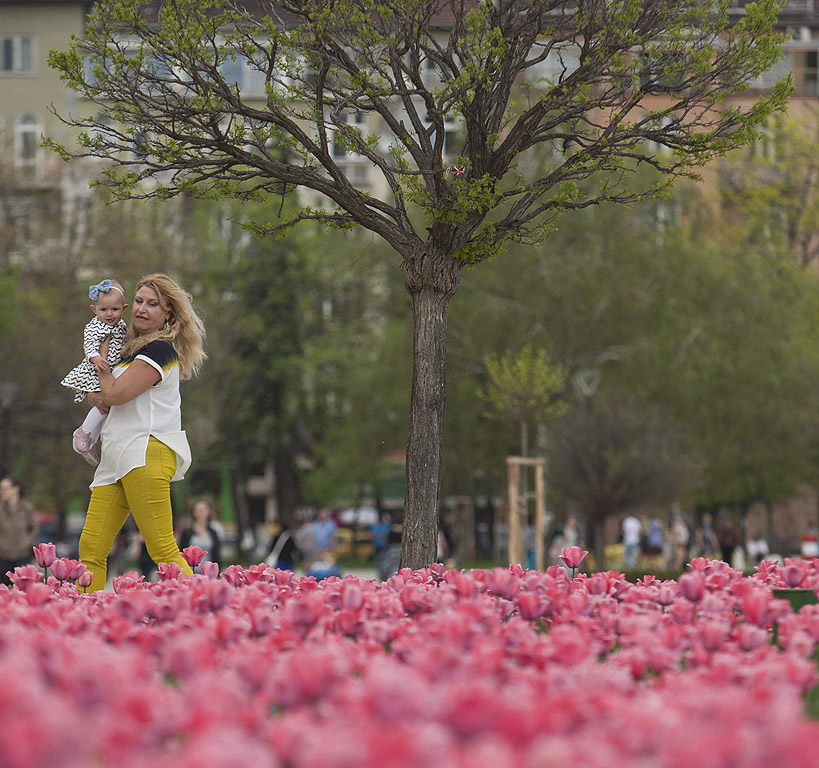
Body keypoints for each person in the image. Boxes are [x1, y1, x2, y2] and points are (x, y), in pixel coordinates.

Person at [78, 274, 206, 591]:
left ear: (168, 315)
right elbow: (104, 392)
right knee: (90, 551)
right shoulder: (128, 349)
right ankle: (78, 622)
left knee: (162, 550)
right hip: (116, 456)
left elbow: (116, 394)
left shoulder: (160, 350)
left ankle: (213, 609)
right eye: (138, 301)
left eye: (153, 304)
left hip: (146, 452)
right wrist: (95, 392)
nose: (142, 309)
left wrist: (99, 388)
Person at [61, 279, 129, 466]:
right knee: (104, 402)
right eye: (103, 310)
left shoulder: (122, 325)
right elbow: (89, 344)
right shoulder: (95, 326)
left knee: (107, 408)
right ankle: (84, 432)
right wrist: (96, 357)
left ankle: (91, 438)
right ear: (94, 309)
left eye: (114, 310)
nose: (109, 314)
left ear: (123, 308)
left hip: (112, 369)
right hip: (97, 368)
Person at [0, 476, 38, 586]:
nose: (2, 492)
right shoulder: (1, 510)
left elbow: (34, 527)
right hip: (4, 556)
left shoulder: (27, 508)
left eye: (5, 488)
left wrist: (28, 543)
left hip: (23, 555)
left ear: (16, 489)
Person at [178, 497, 222, 569]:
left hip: (208, 573)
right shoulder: (187, 533)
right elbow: (181, 553)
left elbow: (216, 556)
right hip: (190, 572)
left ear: (209, 511)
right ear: (193, 512)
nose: (201, 512)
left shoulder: (213, 533)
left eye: (203, 510)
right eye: (198, 510)